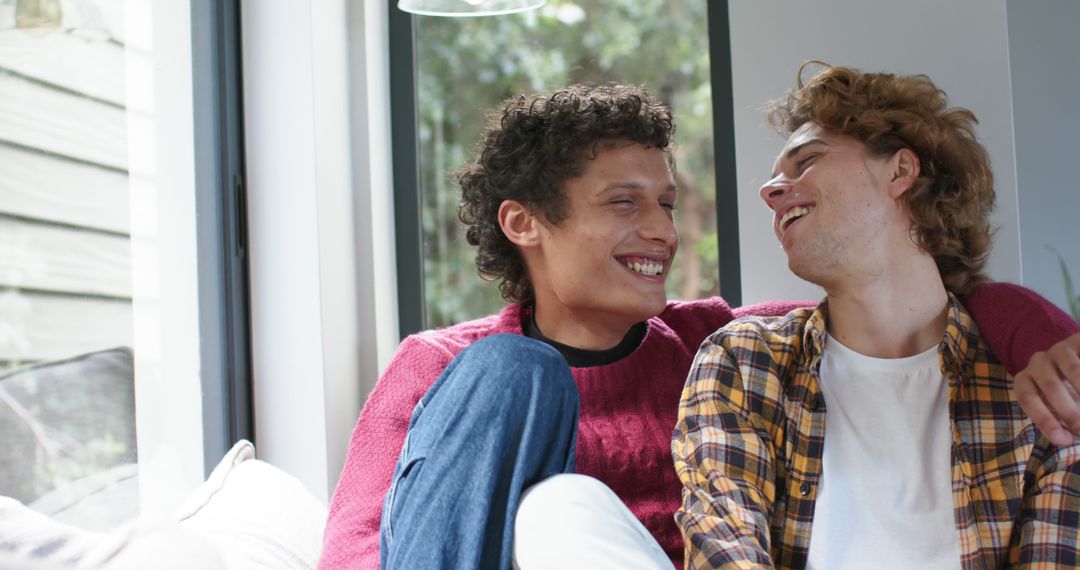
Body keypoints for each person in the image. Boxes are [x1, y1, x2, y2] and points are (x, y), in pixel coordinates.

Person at [318, 83, 1078, 569]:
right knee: (523, 401)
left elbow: (893, 312)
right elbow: (356, 545)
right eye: (625, 203)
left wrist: (1040, 336)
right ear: (523, 222)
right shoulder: (445, 364)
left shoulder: (713, 345)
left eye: (667, 204)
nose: (662, 231)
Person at [673, 64, 1080, 569]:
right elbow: (721, 541)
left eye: (807, 160)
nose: (771, 190)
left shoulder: (1032, 384)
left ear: (900, 171)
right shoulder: (746, 360)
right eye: (778, 176)